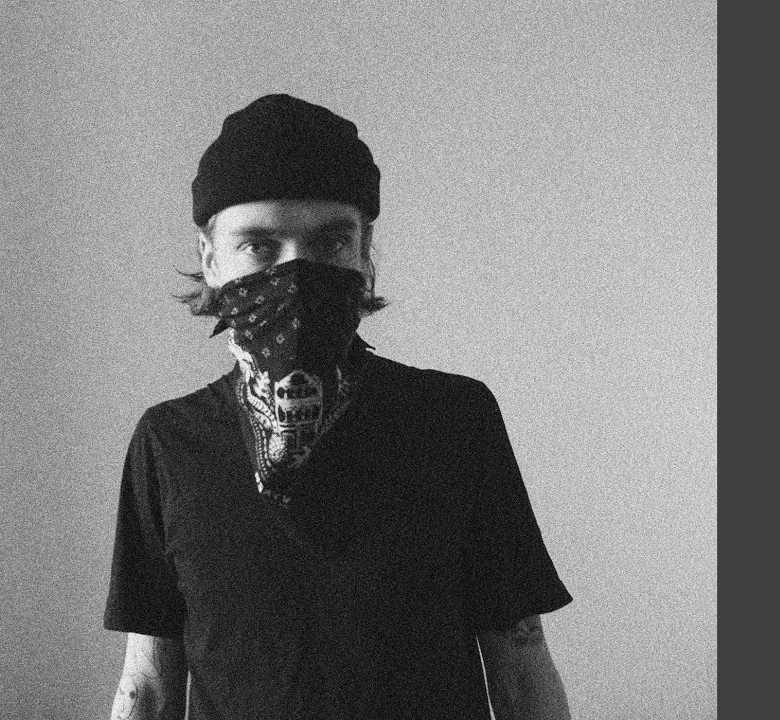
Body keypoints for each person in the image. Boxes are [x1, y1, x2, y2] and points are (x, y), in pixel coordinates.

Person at [104, 93, 573, 720]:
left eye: (329, 242)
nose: (297, 272)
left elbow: (519, 663)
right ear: (210, 259)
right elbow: (149, 683)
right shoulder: (169, 442)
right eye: (259, 246)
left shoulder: (455, 421)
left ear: (363, 253)